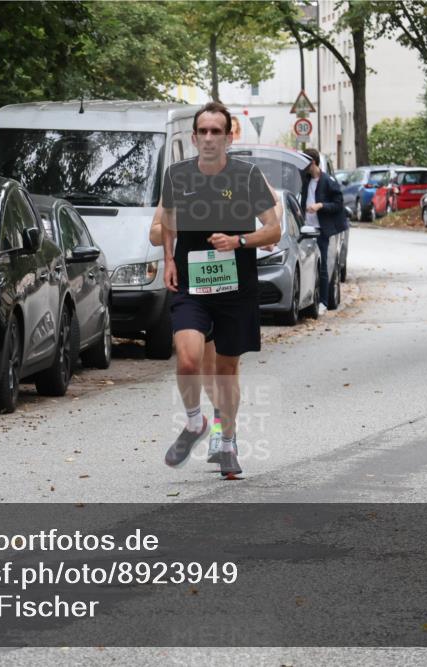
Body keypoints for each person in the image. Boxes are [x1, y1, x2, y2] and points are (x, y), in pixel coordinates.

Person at [154, 101, 280, 479]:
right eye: (203, 132)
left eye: (216, 131)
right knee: (188, 359)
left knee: (226, 370)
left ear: (228, 136)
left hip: (236, 287)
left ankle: (227, 441)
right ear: (194, 138)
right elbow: (168, 223)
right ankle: (195, 423)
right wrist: (170, 259)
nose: (209, 138)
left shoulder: (247, 176)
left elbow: (273, 230)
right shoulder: (177, 176)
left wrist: (239, 242)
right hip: (192, 286)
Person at [299, 148, 346, 315]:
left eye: (305, 162)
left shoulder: (328, 181)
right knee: (307, 266)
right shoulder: (304, 179)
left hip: (321, 230)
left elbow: (338, 204)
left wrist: (320, 206)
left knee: (323, 267)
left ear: (312, 162)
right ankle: (307, 300)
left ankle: (323, 302)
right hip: (305, 229)